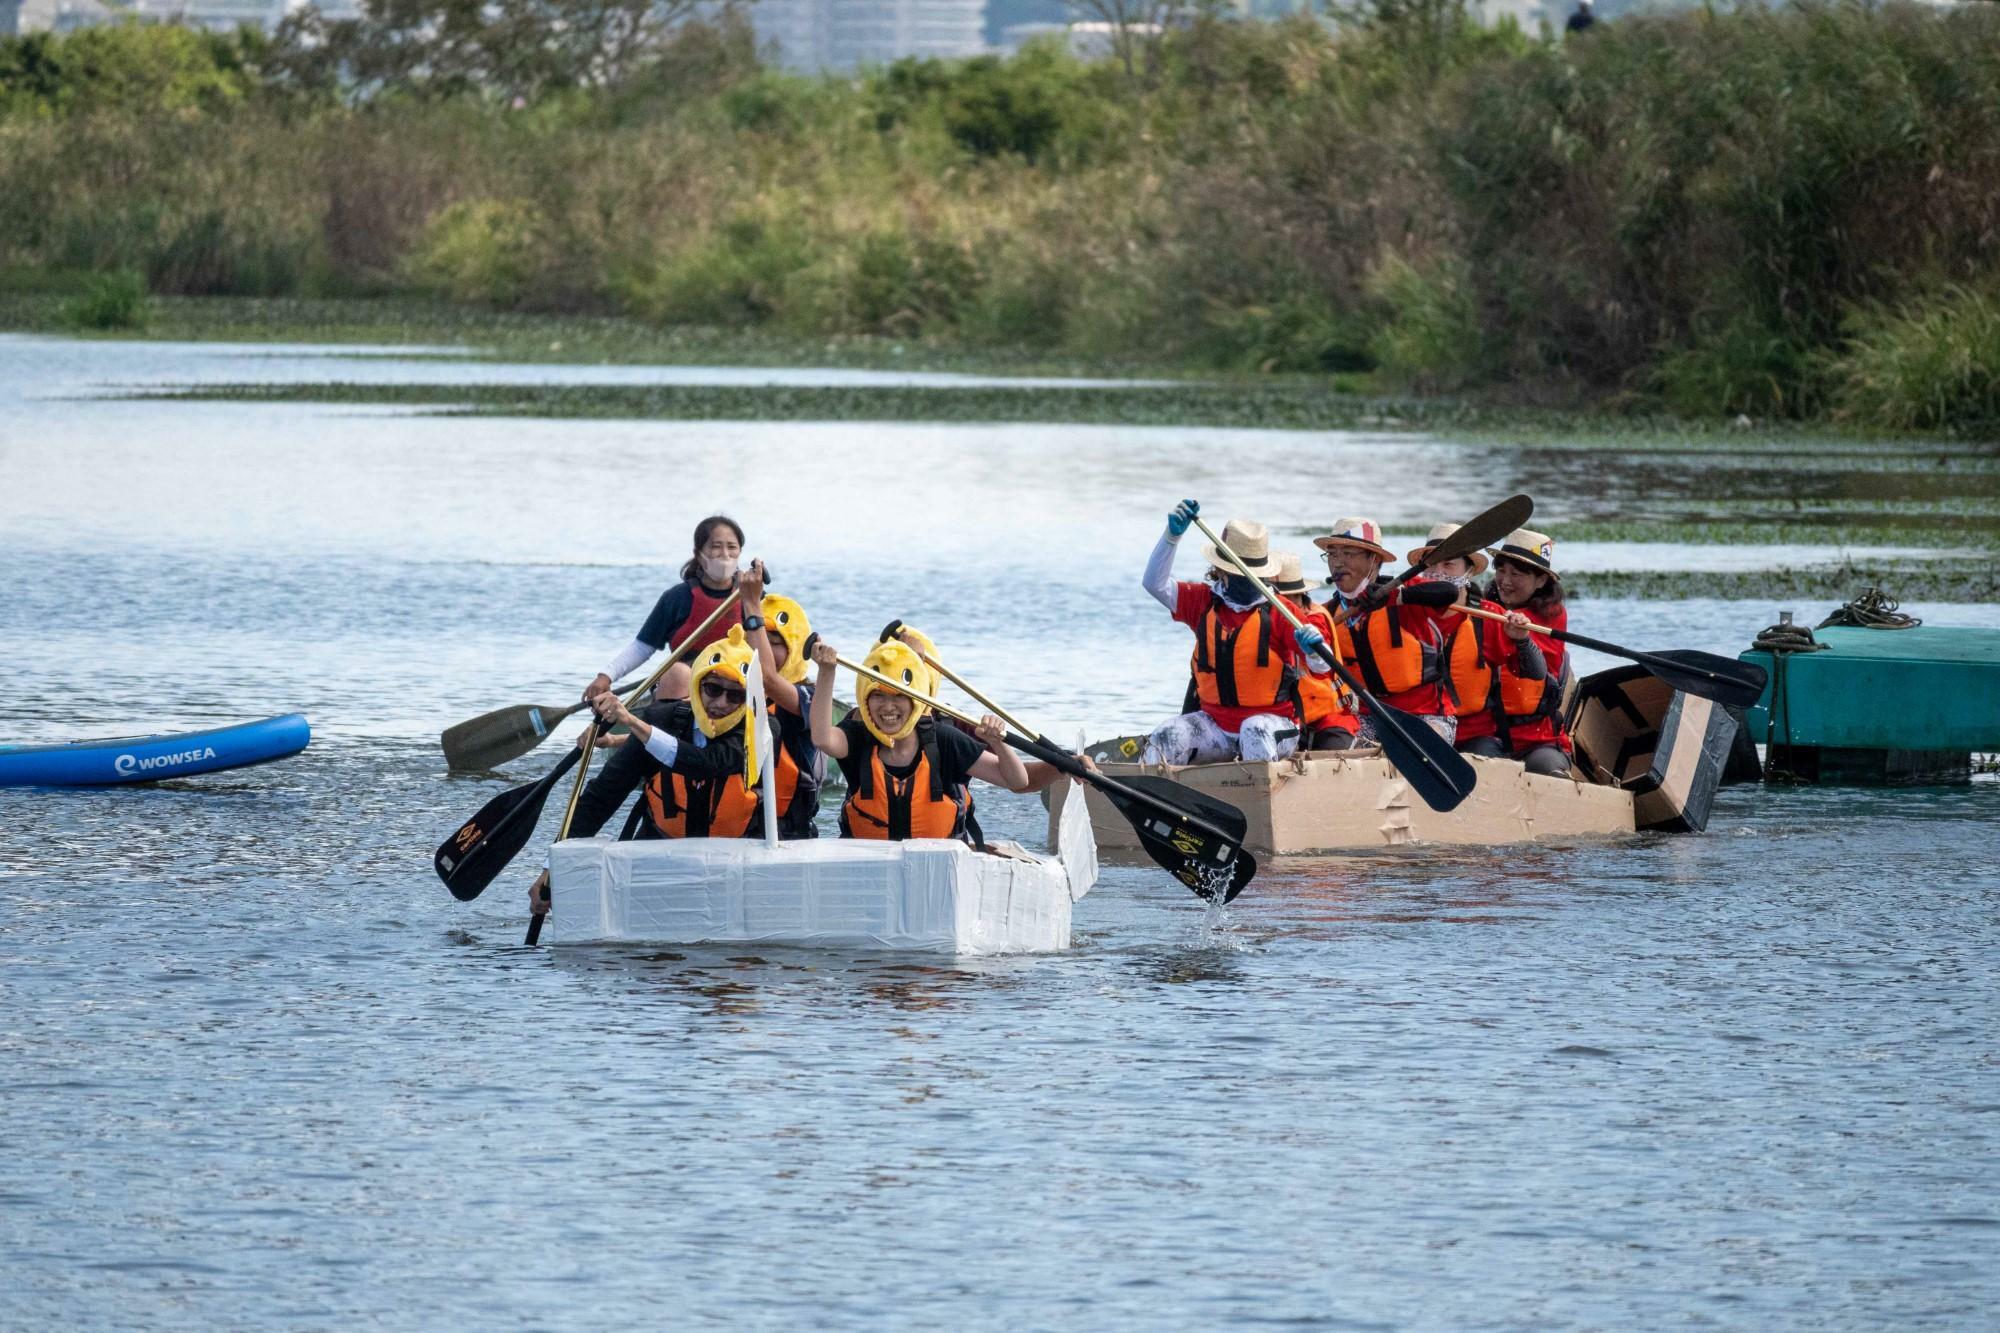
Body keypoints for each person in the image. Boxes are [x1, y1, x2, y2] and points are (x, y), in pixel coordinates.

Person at [526, 623, 817, 913]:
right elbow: (600, 799)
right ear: (697, 686)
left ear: (749, 700)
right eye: (712, 689)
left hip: (735, 858)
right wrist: (551, 869)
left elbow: (704, 764)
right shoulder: (660, 720)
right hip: (662, 851)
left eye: (735, 696)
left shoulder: (764, 730)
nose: (720, 703)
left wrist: (631, 722)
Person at [1140, 504, 1328, 766]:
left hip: (1274, 726)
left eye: (1249, 575)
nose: (1245, 581)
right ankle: (1153, 799)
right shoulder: (1202, 601)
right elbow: (1154, 584)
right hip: (1216, 727)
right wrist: (1171, 538)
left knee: (1255, 730)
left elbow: (1322, 667)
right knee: (1167, 735)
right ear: (1221, 570)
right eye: (1237, 574)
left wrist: (1313, 648)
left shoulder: (1282, 613)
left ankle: (1257, 800)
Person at [809, 637, 1029, 842]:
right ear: (865, 698)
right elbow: (822, 738)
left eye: (899, 695)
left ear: (916, 699)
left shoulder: (944, 740)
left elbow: (1018, 781)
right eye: (878, 695)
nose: (888, 707)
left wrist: (998, 743)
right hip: (871, 868)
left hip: (936, 868)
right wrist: (827, 672)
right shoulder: (858, 737)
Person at [1313, 517, 1462, 745]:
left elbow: (1448, 592)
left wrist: (1397, 597)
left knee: (1420, 743)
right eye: (1332, 554)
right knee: (1331, 738)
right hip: (1367, 717)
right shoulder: (1326, 614)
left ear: (1374, 559)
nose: (1338, 563)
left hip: (1426, 716)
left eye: (1348, 554)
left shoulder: (1405, 597)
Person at [583, 514, 751, 706]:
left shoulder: (751, 598)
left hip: (735, 688)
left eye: (731, 547)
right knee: (677, 673)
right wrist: (606, 676)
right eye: (715, 547)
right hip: (685, 685)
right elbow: (643, 646)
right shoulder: (677, 597)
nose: (725, 554)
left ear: (739, 552)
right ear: (699, 554)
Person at [1454, 528, 1573, 776]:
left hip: (1536, 738)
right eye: (1501, 571)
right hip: (1486, 733)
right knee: (1483, 767)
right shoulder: (1488, 611)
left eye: (1516, 574)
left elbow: (1531, 666)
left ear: (1541, 580)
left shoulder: (1551, 616)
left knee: (1549, 771)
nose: (1505, 581)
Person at [1405, 522, 1498, 722]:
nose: (1438, 572)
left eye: (1448, 564)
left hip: (1475, 733)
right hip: (1415, 725)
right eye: (1432, 563)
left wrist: (1523, 641)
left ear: (1469, 571)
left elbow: (1532, 672)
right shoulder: (1403, 609)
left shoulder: (1491, 616)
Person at [1273, 551, 1360, 751]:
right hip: (1285, 719)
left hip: (1329, 717)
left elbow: (1321, 665)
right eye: (1278, 600)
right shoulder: (1263, 619)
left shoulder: (1314, 621)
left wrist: (1311, 650)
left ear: (1299, 595)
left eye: (1287, 599)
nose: (1282, 607)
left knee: (1335, 753)